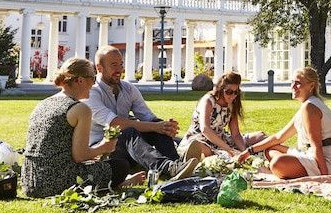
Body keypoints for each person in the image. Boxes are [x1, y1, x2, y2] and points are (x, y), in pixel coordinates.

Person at [22, 57, 146, 198]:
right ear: (80, 80)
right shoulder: (80, 109)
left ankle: (115, 184)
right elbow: (80, 155)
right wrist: (105, 147)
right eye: (93, 79)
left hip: (31, 181)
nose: (94, 85)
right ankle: (119, 183)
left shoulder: (43, 103)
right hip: (56, 181)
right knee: (121, 166)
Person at [84, 46, 199, 184]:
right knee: (128, 131)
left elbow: (148, 117)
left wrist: (165, 126)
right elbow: (115, 123)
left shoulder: (128, 88)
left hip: (127, 149)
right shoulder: (91, 93)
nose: (119, 69)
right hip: (102, 150)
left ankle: (177, 166)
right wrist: (156, 126)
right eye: (114, 65)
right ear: (99, 68)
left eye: (121, 64)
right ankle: (168, 168)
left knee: (158, 126)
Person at [236, 66, 331, 178]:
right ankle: (286, 169)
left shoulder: (310, 107)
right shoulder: (307, 105)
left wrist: (325, 177)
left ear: (311, 86)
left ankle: (283, 169)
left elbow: (316, 145)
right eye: (292, 82)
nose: (293, 86)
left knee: (277, 163)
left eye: (298, 83)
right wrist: (249, 151)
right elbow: (278, 137)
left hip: (329, 162)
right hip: (311, 154)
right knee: (271, 149)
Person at [178, 71, 266, 159]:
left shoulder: (232, 104)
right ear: (221, 89)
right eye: (229, 92)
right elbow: (205, 129)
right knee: (201, 148)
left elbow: (235, 134)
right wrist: (229, 150)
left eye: (236, 92)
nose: (232, 95)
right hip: (200, 138)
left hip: (221, 139)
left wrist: (245, 152)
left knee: (259, 136)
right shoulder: (208, 100)